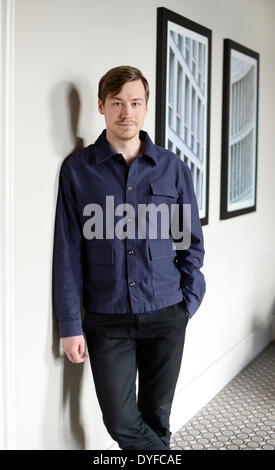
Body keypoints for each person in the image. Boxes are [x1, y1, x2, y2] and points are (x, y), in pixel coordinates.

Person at [52, 65, 206, 450]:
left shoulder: (173, 169)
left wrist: (187, 304)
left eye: (135, 103)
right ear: (101, 106)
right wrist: (71, 325)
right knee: (122, 421)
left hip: (167, 312)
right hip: (107, 318)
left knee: (157, 417)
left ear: (146, 107)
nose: (127, 113)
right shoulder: (78, 170)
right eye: (118, 103)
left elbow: (191, 243)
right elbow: (67, 252)